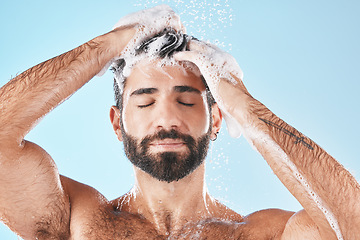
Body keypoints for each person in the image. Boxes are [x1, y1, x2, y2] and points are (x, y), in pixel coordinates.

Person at [0, 5, 359, 240]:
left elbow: (352, 224)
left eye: (187, 101)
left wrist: (249, 111)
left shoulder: (263, 235)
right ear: (116, 124)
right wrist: (110, 45)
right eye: (144, 102)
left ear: (216, 120)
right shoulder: (78, 223)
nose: (167, 118)